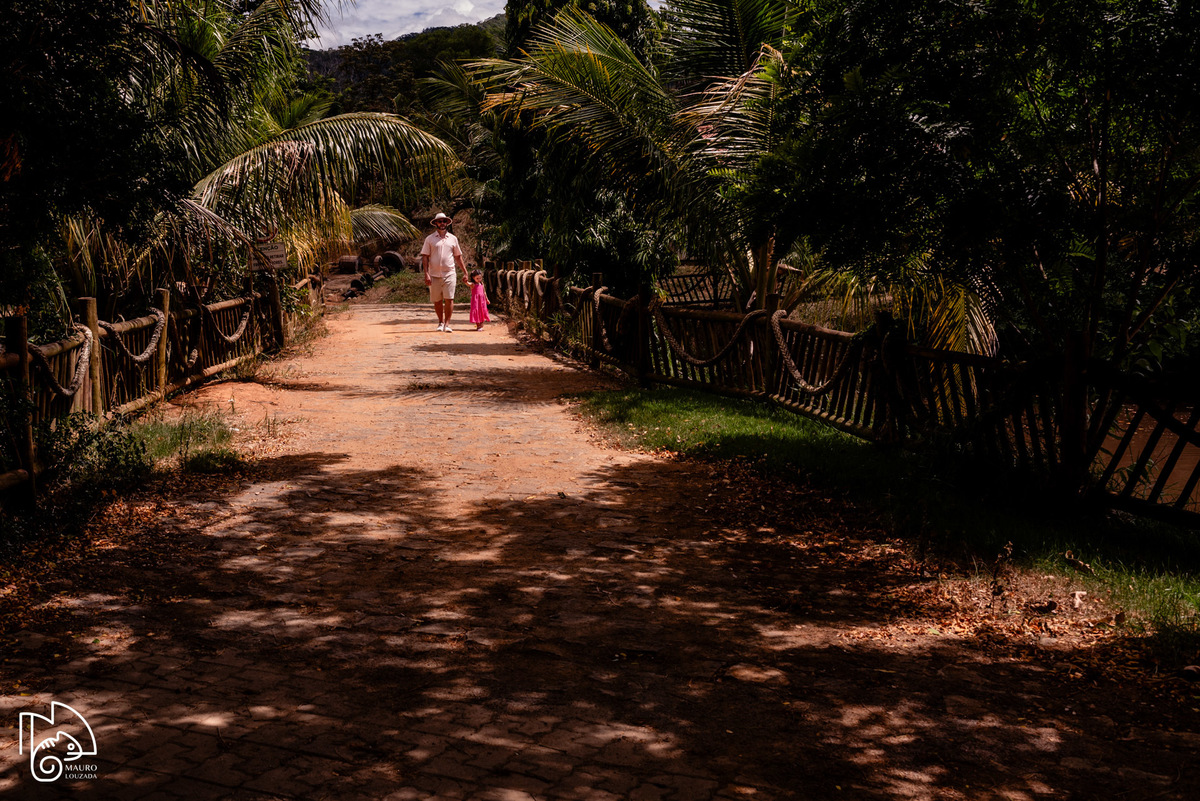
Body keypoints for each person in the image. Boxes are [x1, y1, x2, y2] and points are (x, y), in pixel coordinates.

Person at [420, 212, 469, 332]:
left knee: (449, 299)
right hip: (434, 274)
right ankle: (440, 322)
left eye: (444, 221)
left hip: (450, 273)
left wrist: (465, 272)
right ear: (436, 223)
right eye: (440, 221)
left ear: (447, 223)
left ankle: (447, 324)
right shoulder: (430, 239)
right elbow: (425, 256)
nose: (442, 223)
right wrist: (426, 273)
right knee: (437, 300)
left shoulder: (453, 239)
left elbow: (458, 256)